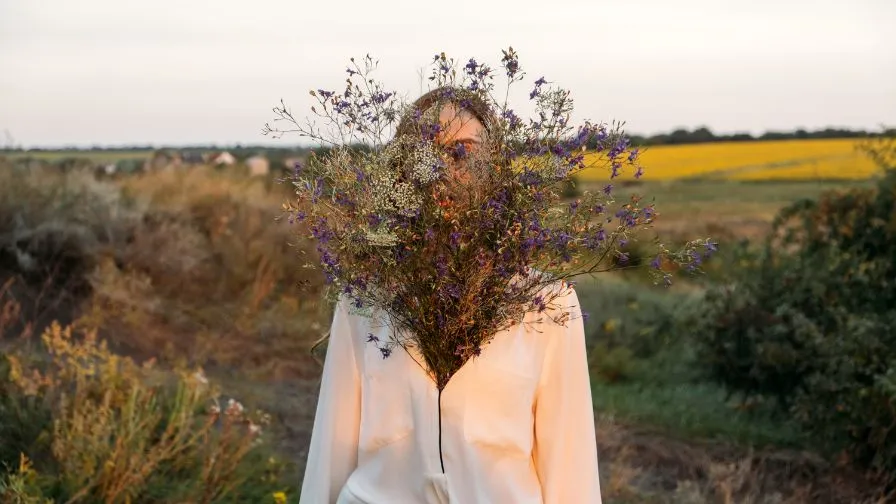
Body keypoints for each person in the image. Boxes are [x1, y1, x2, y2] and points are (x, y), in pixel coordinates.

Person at [299, 87, 602, 504]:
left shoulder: (548, 303)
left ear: (494, 165)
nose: (444, 167)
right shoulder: (364, 299)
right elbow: (330, 452)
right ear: (403, 170)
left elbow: (571, 469)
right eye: (426, 152)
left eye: (464, 150)